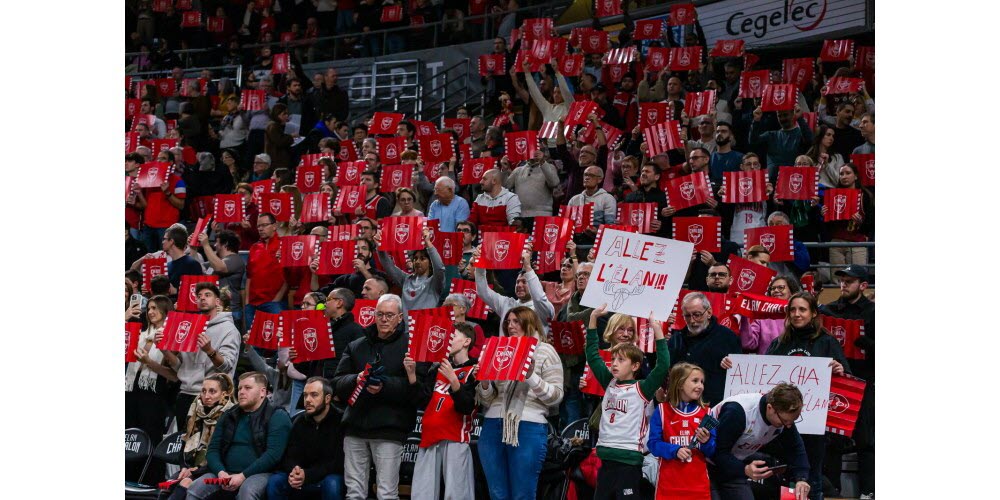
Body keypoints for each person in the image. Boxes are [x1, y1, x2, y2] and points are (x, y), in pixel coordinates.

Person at [762, 292, 849, 500]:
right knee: (783, 481)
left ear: (813, 313)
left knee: (812, 481)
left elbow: (847, 380)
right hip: (781, 427)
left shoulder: (827, 342)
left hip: (814, 428)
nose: (796, 314)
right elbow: (761, 376)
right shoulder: (778, 343)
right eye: (792, 309)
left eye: (802, 309)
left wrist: (841, 371)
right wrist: (731, 365)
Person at [332, 294, 415, 500]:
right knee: (354, 493)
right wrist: (356, 379)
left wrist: (383, 385)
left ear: (400, 318)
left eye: (389, 315)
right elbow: (337, 383)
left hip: (389, 428)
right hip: (355, 426)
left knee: (386, 493)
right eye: (380, 314)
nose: (384, 319)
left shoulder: (411, 347)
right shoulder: (356, 345)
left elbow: (416, 389)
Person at [476, 306, 563, 500]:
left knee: (522, 494)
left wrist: (531, 376)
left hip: (528, 427)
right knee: (496, 494)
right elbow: (487, 400)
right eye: (508, 322)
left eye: (516, 321)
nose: (510, 326)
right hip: (492, 425)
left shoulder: (546, 351)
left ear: (529, 323)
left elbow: (556, 396)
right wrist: (484, 381)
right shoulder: (500, 349)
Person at [585, 305, 669, 499]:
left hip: (629, 461)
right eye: (614, 359)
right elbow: (593, 355)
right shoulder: (609, 383)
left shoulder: (643, 388)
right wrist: (593, 319)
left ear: (635, 365)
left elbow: (663, 365)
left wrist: (657, 330)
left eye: (621, 360)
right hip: (605, 459)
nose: (614, 363)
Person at [182, 372, 292, 500]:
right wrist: (221, 472)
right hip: (224, 473)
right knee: (195, 488)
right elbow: (212, 450)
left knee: (248, 491)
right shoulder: (229, 415)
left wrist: (242, 476)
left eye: (247, 388)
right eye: (239, 388)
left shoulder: (277, 415)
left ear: (262, 392)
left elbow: (273, 455)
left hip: (260, 473)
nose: (241, 392)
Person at [405, 322, 479, 500]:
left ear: (466, 341)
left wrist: (454, 381)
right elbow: (422, 401)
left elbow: (467, 407)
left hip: (455, 437)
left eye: (453, 336)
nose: (448, 340)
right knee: (422, 494)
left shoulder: (475, 369)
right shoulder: (436, 368)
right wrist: (412, 375)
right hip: (429, 435)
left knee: (458, 494)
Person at [819, 265, 875, 499]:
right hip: (836, 382)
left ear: (863, 285)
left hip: (864, 383)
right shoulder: (829, 310)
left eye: (849, 281)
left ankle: (868, 491)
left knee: (866, 440)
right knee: (833, 438)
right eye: (842, 280)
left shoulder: (874, 312)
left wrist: (868, 344)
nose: (843, 284)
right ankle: (832, 491)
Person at [707, 383, 811, 500]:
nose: (788, 426)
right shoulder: (738, 412)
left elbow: (795, 447)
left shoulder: (783, 417)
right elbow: (717, 452)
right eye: (784, 421)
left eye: (792, 421)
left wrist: (801, 478)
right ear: (770, 408)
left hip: (733, 463)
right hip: (705, 462)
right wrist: (744, 469)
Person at [160, 283, 241, 423]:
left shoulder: (229, 329)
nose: (202, 298)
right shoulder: (190, 326)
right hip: (185, 393)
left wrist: (210, 351)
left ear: (217, 301)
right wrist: (163, 348)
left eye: (207, 295)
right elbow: (180, 367)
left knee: (207, 437)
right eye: (199, 296)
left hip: (212, 396)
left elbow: (227, 366)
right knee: (184, 437)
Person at [266, 377, 345, 500]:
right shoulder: (299, 421)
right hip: (302, 476)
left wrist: (307, 475)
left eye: (314, 395)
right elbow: (289, 456)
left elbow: (338, 463)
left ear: (327, 398)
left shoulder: (341, 421)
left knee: (332, 484)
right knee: (276, 482)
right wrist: (294, 472)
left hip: (326, 477)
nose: (307, 400)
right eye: (305, 395)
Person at [126, 295, 178, 482]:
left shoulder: (171, 337)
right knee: (129, 438)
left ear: (165, 310)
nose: (150, 312)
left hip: (155, 395)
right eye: (148, 308)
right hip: (131, 392)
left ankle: (150, 481)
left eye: (155, 308)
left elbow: (175, 375)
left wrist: (148, 362)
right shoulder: (139, 334)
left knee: (150, 437)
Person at [647, 363, 717, 499]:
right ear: (679, 384)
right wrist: (675, 450)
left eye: (702, 382)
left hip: (698, 487)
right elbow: (653, 444)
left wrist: (706, 441)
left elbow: (712, 451)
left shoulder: (707, 413)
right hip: (668, 486)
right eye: (695, 381)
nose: (700, 386)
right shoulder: (661, 410)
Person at [166, 373, 237, 497]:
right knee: (166, 485)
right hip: (192, 468)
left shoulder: (231, 416)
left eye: (212, 391)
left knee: (186, 484)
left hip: (217, 470)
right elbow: (184, 443)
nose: (206, 396)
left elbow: (223, 454)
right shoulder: (195, 411)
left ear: (224, 394)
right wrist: (184, 467)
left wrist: (195, 471)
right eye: (203, 391)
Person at [667, 292, 741, 406]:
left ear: (709, 312)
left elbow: (739, 373)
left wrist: (731, 364)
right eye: (687, 316)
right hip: (680, 408)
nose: (692, 321)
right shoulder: (676, 339)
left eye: (697, 315)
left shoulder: (728, 337)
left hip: (714, 407)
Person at [472, 243, 555, 325]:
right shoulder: (506, 304)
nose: (519, 285)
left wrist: (528, 267)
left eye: (524, 282)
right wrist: (480, 263)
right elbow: (482, 291)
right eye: (517, 282)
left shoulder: (542, 309)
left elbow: (539, 298)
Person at [375, 226, 446, 312]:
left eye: (422, 258)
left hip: (426, 321)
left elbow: (439, 268)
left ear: (430, 264)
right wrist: (380, 246)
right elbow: (388, 265)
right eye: (415, 258)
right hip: (406, 321)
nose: (417, 262)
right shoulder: (405, 279)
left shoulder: (435, 283)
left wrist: (428, 242)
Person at [245, 213, 287, 334]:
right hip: (252, 305)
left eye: (264, 225)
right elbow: (249, 276)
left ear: (275, 226)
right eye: (258, 226)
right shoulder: (254, 248)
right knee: (252, 339)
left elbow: (288, 277)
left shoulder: (284, 245)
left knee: (276, 339)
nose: (260, 229)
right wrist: (247, 302)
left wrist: (276, 300)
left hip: (274, 303)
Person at [741, 275, 801, 354]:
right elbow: (748, 344)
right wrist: (743, 314)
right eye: (772, 288)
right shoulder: (762, 317)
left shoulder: (800, 315)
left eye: (780, 287)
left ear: (792, 292)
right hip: (767, 361)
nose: (775, 290)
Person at [503, 148, 561, 219]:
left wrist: (542, 162)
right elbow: (504, 188)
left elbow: (554, 183)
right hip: (520, 215)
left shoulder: (550, 167)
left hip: (542, 214)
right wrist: (504, 169)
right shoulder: (518, 170)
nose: (533, 152)